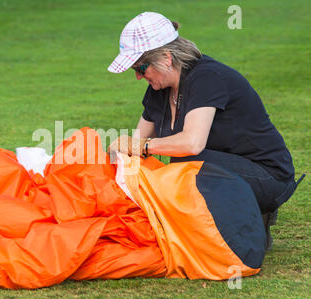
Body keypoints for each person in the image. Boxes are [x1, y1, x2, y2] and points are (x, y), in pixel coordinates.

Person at [107, 12, 301, 250]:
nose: (138, 76)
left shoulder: (206, 78)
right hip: (227, 171)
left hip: (269, 176)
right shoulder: (158, 89)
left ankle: (247, 223)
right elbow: (134, 145)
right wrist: (117, 157)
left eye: (141, 67)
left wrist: (144, 147)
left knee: (188, 159)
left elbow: (191, 144)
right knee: (175, 163)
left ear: (166, 58)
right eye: (134, 70)